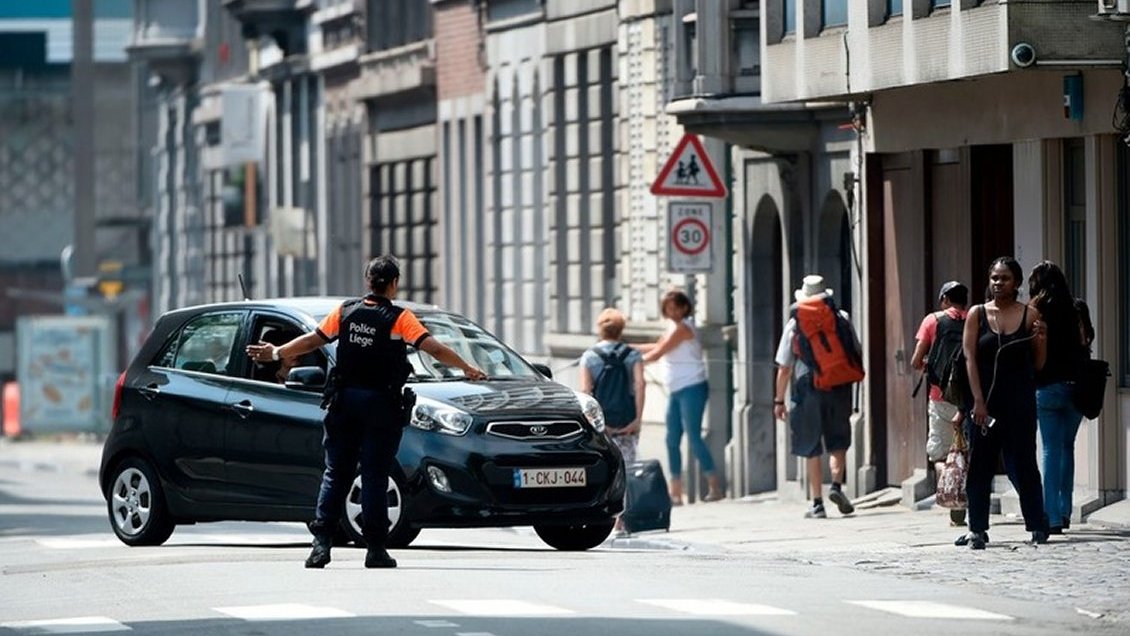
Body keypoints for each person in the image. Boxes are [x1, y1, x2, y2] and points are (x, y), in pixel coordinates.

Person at [246, 255, 487, 569]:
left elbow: (312, 341)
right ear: (394, 284)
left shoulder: (345, 311)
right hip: (380, 407)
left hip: (344, 404)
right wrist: (467, 367)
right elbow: (434, 348)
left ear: (368, 282)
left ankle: (321, 547)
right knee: (374, 475)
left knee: (336, 474)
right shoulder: (399, 317)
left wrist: (277, 351)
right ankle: (375, 549)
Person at [958, 256, 1049, 550]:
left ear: (1017, 283)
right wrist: (978, 401)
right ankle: (977, 529)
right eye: (994, 278)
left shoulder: (1030, 315)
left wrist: (1042, 340)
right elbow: (970, 358)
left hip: (1020, 402)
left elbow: (1038, 364)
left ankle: (1037, 524)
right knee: (980, 466)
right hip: (984, 402)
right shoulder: (977, 314)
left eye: (1005, 278)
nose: (998, 283)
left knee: (1024, 464)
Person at [773, 275, 860, 519]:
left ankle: (817, 503)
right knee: (838, 439)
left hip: (807, 387)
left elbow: (784, 367)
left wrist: (779, 400)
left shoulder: (796, 322)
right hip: (839, 384)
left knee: (811, 444)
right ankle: (835, 485)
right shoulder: (841, 317)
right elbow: (855, 350)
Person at [639, 290, 722, 504]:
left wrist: (634, 362)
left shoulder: (684, 328)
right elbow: (656, 347)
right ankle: (675, 491)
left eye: (676, 308)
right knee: (671, 439)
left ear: (685, 307)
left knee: (693, 437)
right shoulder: (671, 328)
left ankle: (714, 485)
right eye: (668, 308)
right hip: (676, 389)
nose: (672, 312)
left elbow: (658, 353)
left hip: (692, 387)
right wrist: (625, 348)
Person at [1028, 261, 1093, 535]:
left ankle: (1052, 516)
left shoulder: (1036, 309)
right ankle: (1066, 511)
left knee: (1050, 450)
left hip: (1047, 386)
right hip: (1077, 387)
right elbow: (1087, 340)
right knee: (1068, 447)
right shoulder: (1077, 307)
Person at [579, 308, 645, 533]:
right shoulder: (632, 355)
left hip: (603, 422)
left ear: (600, 329)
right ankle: (623, 520)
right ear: (621, 329)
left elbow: (586, 391)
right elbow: (639, 385)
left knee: (605, 468)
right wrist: (637, 419)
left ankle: (605, 513)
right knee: (627, 466)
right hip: (627, 419)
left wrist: (595, 422)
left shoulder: (590, 356)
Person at [910, 280, 970, 526]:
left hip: (939, 396)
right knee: (967, 451)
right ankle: (965, 493)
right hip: (969, 397)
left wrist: (933, 365)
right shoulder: (974, 319)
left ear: (944, 299)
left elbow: (916, 361)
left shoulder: (932, 320)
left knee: (939, 452)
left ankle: (949, 488)